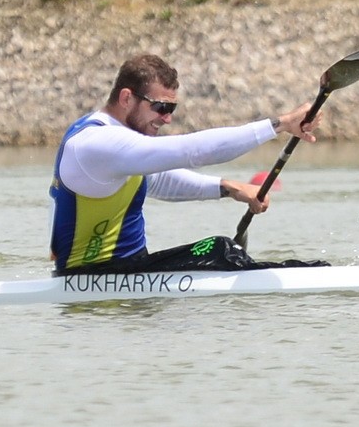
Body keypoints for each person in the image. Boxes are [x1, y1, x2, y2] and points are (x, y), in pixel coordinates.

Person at [49, 53, 326, 275]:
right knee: (220, 249)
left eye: (172, 109)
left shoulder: (113, 145)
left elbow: (159, 180)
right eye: (161, 107)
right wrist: (280, 125)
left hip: (126, 271)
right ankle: (314, 276)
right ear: (126, 98)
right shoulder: (96, 143)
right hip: (92, 276)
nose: (167, 118)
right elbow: (193, 151)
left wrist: (228, 188)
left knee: (219, 251)